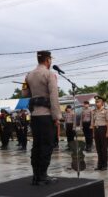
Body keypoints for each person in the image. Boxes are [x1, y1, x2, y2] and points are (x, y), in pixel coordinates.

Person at [22, 50, 62, 185]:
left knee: (37, 145)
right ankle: (43, 176)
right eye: (50, 60)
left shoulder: (28, 75)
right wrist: (57, 117)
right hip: (46, 116)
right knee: (47, 145)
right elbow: (54, 97)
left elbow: (25, 93)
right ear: (48, 60)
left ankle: (36, 175)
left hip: (34, 116)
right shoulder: (50, 74)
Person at [91, 95, 108, 171]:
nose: (96, 103)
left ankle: (104, 165)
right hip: (96, 129)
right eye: (95, 102)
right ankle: (99, 165)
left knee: (104, 148)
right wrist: (93, 133)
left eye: (98, 102)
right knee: (98, 148)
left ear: (102, 103)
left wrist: (107, 132)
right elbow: (93, 123)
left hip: (103, 129)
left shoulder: (106, 111)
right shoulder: (94, 111)